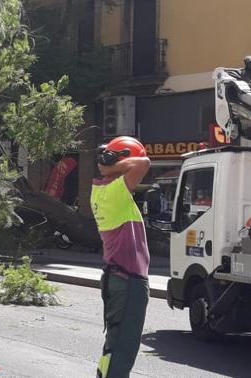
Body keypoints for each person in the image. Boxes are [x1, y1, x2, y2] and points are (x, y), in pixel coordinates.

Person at [91, 136, 151, 378]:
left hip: (120, 278)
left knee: (115, 346)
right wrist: (110, 165)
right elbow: (144, 163)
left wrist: (109, 165)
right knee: (123, 347)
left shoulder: (103, 192)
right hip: (127, 282)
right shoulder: (113, 192)